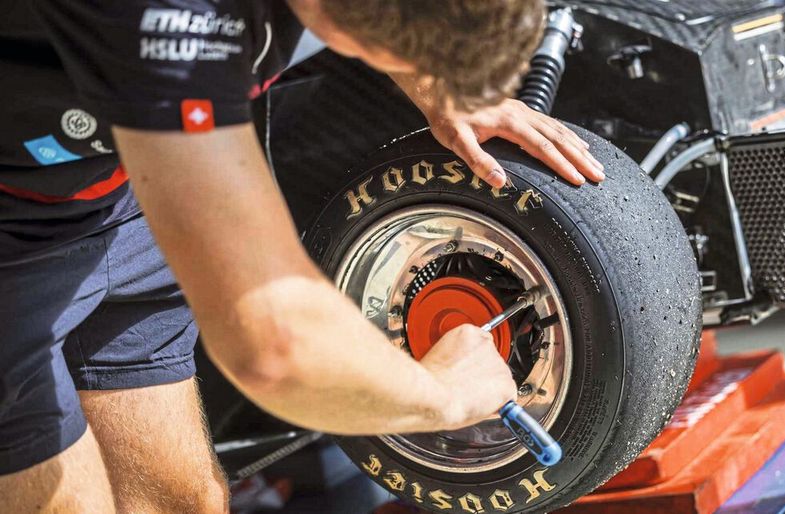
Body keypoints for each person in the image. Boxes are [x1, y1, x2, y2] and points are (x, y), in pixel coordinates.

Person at [0, 0, 605, 512]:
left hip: (128, 189)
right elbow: (275, 347)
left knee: (181, 502)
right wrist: (445, 394)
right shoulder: (171, 23)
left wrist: (438, 81)